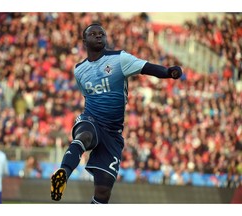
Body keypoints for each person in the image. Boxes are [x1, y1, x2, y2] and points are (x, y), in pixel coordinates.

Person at [50, 23, 183, 204]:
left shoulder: (120, 59)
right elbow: (87, 96)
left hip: (112, 132)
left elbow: (147, 67)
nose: (98, 36)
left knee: (103, 191)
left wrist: (168, 72)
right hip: (91, 118)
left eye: (101, 34)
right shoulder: (79, 70)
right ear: (84, 41)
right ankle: (63, 173)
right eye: (93, 34)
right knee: (86, 135)